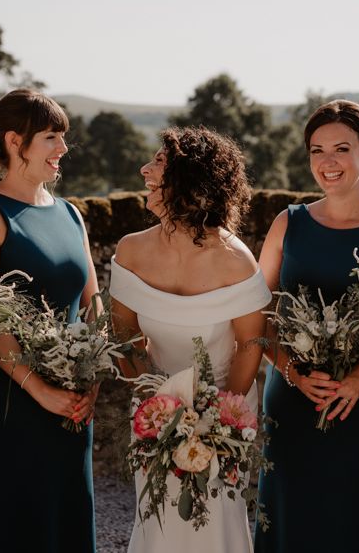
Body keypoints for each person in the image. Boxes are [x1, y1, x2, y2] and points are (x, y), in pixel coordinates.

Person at [254, 100, 359, 553]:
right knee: (287, 509)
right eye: (316, 150)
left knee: (349, 513)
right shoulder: (287, 224)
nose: (327, 162)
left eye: (341, 149)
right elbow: (256, 316)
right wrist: (292, 373)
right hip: (290, 400)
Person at [110, 126, 270, 553]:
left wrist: (218, 421)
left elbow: (251, 345)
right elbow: (124, 338)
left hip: (226, 408)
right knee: (158, 519)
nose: (145, 169)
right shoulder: (130, 250)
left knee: (218, 521)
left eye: (159, 162)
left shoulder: (236, 260)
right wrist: (157, 405)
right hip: (152, 412)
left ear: (191, 181)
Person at [0, 89, 100, 553]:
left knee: (66, 517)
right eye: (52, 138)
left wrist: (91, 382)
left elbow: (93, 306)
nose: (63, 149)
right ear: (15, 141)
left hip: (75, 402)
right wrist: (39, 389)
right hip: (13, 403)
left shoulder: (71, 214)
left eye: (64, 138)